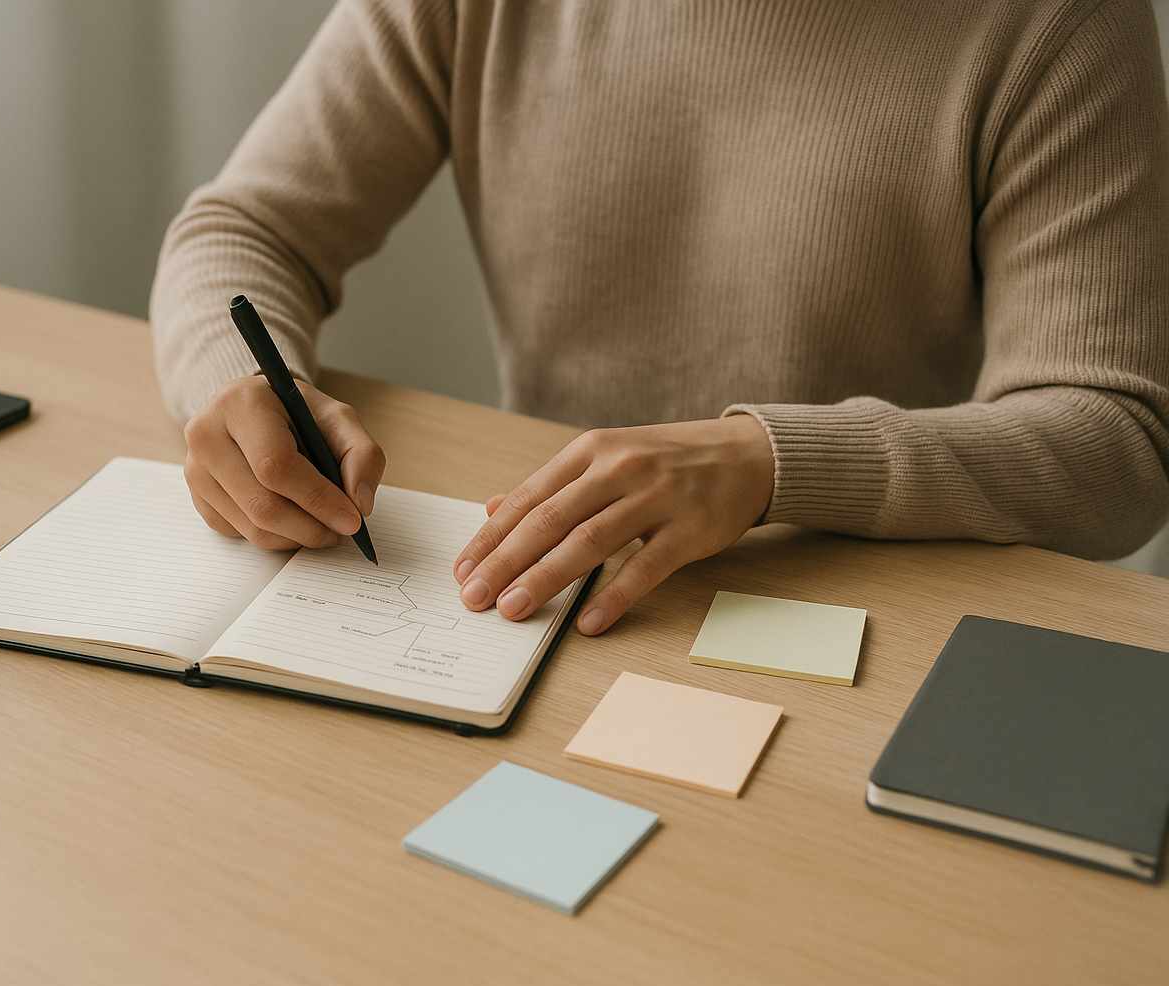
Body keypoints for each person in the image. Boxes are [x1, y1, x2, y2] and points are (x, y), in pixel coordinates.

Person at [150, 0, 1169, 636]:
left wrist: (771, 461)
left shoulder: (1060, 21)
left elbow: (1118, 441)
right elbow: (241, 232)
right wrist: (240, 393)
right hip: (549, 598)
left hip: (863, 614)